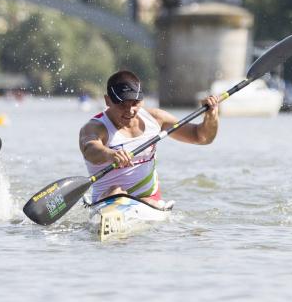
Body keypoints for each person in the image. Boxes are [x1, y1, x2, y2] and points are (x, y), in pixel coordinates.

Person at [78, 70, 220, 208]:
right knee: (116, 191)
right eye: (122, 104)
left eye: (134, 103)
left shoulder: (156, 119)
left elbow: (201, 137)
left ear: (142, 101)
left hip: (148, 200)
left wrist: (211, 117)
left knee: (148, 202)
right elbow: (90, 150)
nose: (130, 110)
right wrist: (110, 154)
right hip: (108, 200)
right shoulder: (94, 128)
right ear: (107, 100)